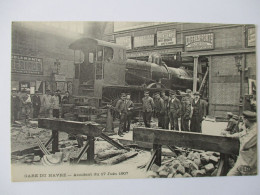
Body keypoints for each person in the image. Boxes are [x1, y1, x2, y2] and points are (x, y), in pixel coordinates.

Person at [226, 111, 257, 176]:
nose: (242, 122)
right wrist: (230, 136)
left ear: (246, 120)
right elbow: (241, 134)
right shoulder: (249, 128)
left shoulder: (256, 131)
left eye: (243, 119)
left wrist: (241, 135)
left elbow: (245, 144)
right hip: (241, 160)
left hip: (249, 163)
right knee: (230, 176)